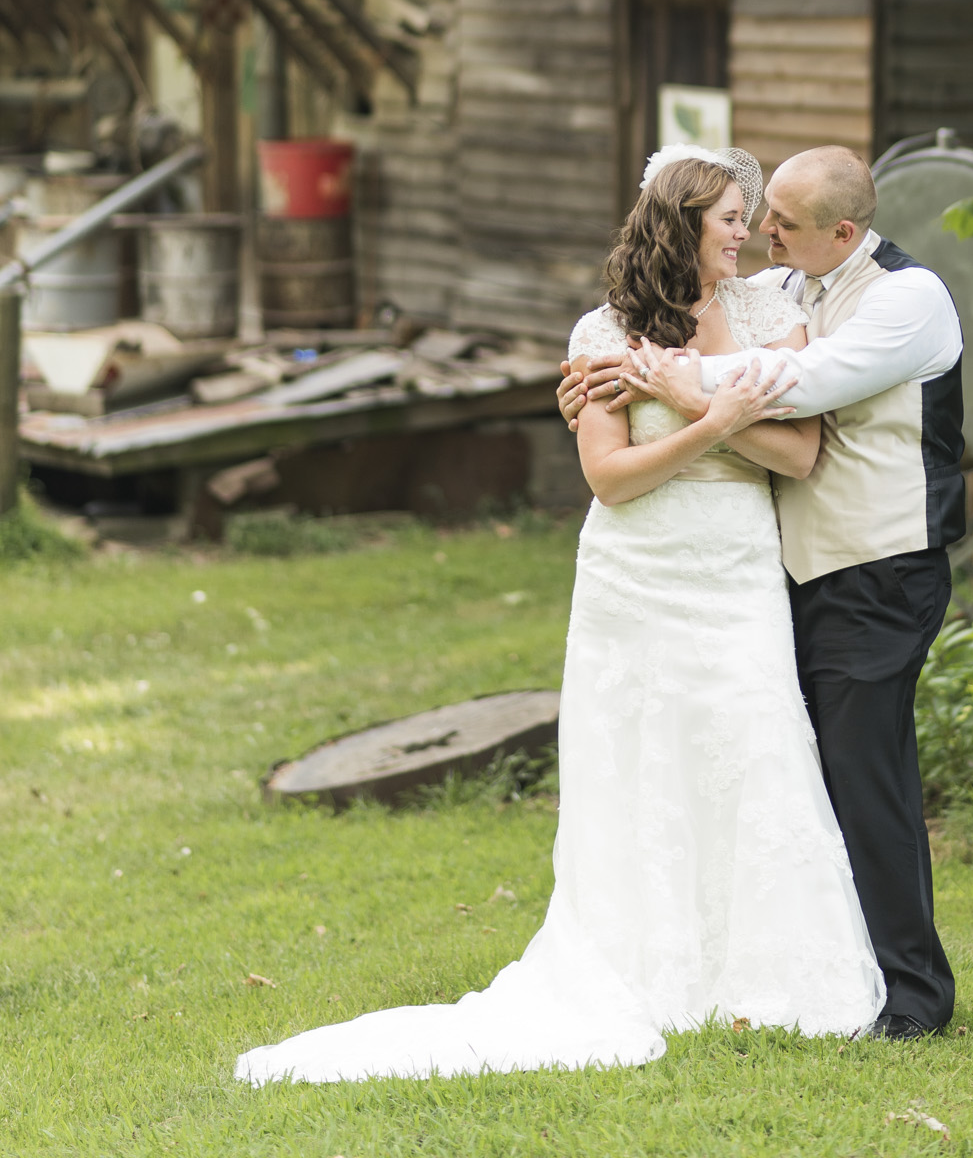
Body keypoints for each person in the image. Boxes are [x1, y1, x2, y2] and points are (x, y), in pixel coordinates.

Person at [235, 146, 881, 1086]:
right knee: (640, 762)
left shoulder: (772, 313)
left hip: (736, 568)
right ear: (681, 224)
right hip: (636, 575)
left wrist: (683, 395)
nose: (749, 234)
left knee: (753, 747)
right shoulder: (602, 331)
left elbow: (798, 456)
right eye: (732, 219)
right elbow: (610, 481)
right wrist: (709, 421)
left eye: (750, 217)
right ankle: (648, 960)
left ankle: (760, 970)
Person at [559, 144, 964, 1041]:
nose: (761, 232)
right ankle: (729, 956)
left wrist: (661, 382)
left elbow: (799, 399)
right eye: (745, 216)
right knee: (778, 772)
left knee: (860, 774)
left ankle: (911, 998)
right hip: (776, 567)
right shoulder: (787, 290)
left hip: (878, 564)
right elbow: (618, 458)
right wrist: (607, 379)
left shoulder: (904, 299)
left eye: (775, 219)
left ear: (842, 232)